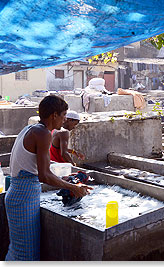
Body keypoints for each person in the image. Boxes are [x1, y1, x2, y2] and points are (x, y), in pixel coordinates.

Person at [5, 95, 92, 261]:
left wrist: (64, 177)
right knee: (26, 256)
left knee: (19, 251)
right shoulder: (43, 133)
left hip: (19, 194)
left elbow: (36, 166)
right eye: (64, 115)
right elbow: (44, 176)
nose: (65, 119)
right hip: (23, 197)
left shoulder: (32, 129)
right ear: (54, 115)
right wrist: (73, 188)